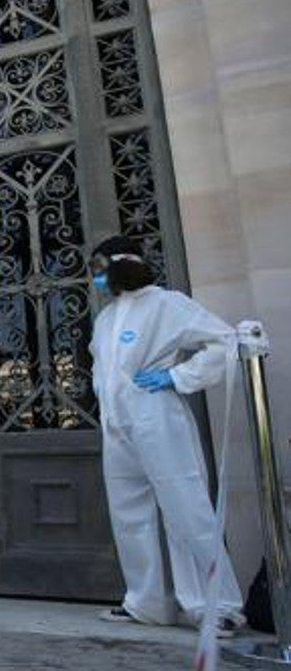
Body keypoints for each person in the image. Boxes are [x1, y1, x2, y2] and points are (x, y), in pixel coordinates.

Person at [88, 235, 246, 635]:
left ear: (120, 265)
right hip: (117, 424)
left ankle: (217, 604)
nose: (97, 279)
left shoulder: (167, 305)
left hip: (156, 417)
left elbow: (224, 342)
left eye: (100, 268)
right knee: (129, 514)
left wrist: (177, 376)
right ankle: (146, 601)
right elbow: (100, 368)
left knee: (186, 509)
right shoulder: (106, 319)